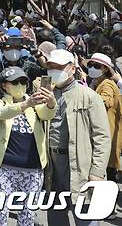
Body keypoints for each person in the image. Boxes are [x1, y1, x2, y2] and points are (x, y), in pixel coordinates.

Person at [45, 49, 111, 226]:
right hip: (52, 164)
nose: (53, 71)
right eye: (50, 67)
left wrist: (97, 171)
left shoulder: (89, 96)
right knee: (56, 215)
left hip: (79, 165)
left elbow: (102, 137)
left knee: (85, 215)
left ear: (72, 69)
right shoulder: (45, 94)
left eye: (58, 67)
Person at [0, 66, 56, 226]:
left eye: (23, 81)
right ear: (4, 85)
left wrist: (51, 103)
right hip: (4, 168)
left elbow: (47, 114)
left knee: (28, 215)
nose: (20, 85)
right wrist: (25, 104)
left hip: (33, 169)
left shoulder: (34, 102)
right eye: (15, 82)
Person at [83, 52, 122, 181]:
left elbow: (107, 101)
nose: (92, 68)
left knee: (107, 167)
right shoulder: (97, 82)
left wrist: (88, 97)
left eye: (97, 66)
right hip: (103, 128)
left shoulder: (107, 84)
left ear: (105, 69)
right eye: (91, 65)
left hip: (106, 130)